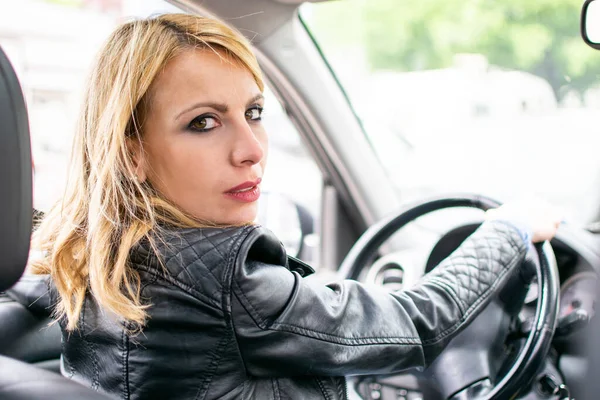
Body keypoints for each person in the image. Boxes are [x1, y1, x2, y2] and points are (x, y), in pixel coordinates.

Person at [8, 13, 562, 400]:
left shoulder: (83, 257)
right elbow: (414, 323)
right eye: (203, 122)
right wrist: (507, 230)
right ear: (131, 154)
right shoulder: (230, 277)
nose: (251, 150)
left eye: (253, 112)